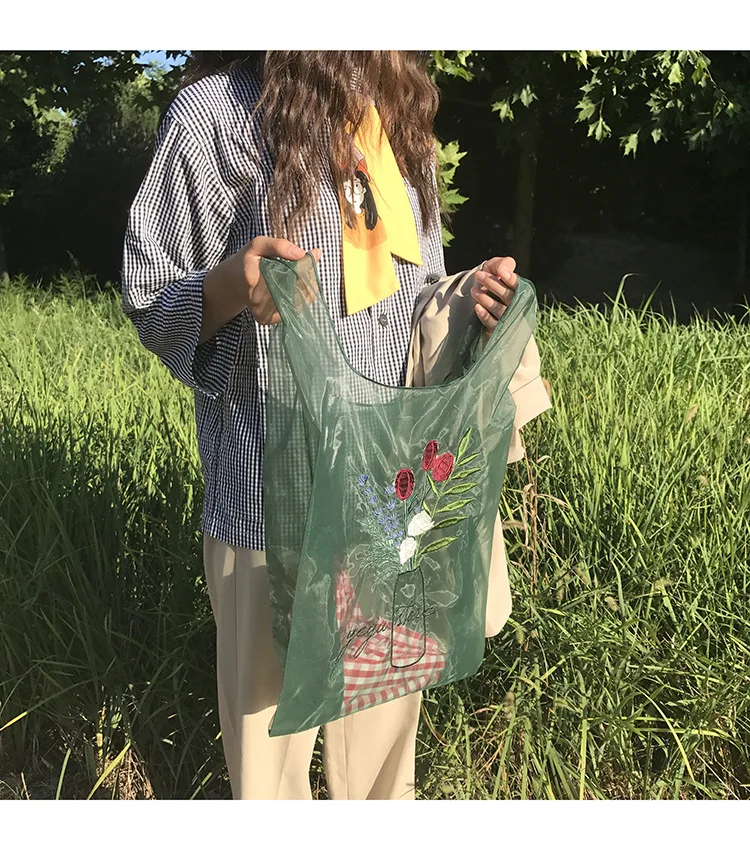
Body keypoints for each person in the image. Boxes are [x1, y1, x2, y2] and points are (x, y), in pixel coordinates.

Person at [121, 50, 520, 801]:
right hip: (266, 509)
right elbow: (151, 301)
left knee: (380, 775)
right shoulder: (216, 118)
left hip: (390, 506)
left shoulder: (395, 124)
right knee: (268, 779)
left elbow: (415, 297)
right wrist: (231, 284)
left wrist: (470, 296)